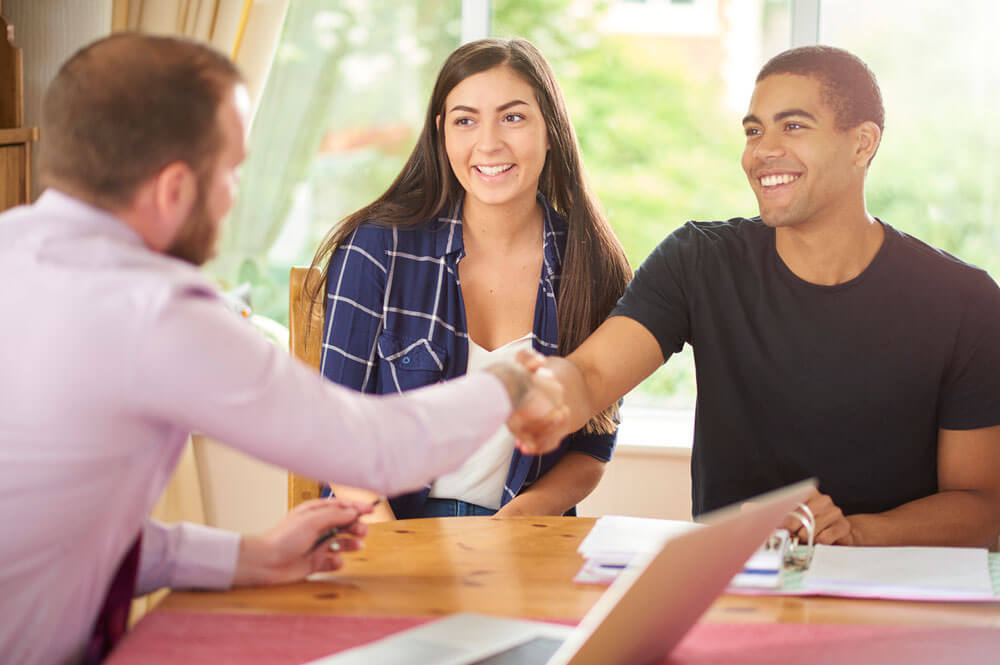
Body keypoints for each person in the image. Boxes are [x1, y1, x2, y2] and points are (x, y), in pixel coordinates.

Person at [0, 34, 566, 665]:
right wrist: (512, 383)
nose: (234, 196)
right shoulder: (157, 310)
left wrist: (245, 558)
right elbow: (373, 449)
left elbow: (61, 535)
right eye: (232, 170)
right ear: (174, 191)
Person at [510, 45, 1000, 548]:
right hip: (733, 589)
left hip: (897, 595)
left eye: (793, 127)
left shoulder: (965, 302)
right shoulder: (699, 261)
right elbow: (590, 374)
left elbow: (985, 508)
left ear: (862, 144)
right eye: (753, 131)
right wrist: (550, 392)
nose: (761, 151)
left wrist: (855, 533)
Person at [307, 38, 632, 520]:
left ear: (551, 131)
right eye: (465, 120)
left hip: (520, 536)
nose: (488, 143)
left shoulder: (592, 264)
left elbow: (593, 449)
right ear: (443, 133)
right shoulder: (376, 248)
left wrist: (511, 529)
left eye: (514, 117)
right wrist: (397, 553)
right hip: (382, 530)